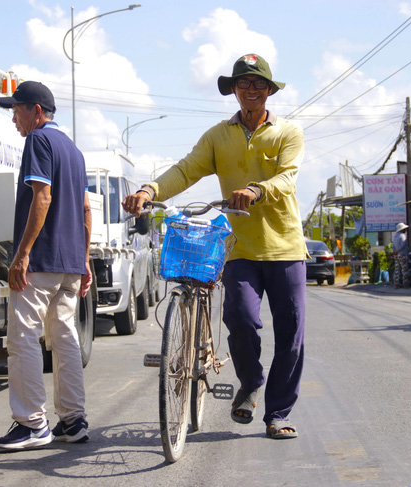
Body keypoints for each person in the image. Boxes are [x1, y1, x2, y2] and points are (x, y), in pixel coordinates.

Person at [122, 54, 305, 440]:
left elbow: (288, 178)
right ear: (234, 91)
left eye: (258, 84)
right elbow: (187, 169)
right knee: (239, 316)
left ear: (269, 91)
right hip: (239, 246)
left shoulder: (288, 132)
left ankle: (278, 413)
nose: (251, 90)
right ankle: (251, 382)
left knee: (291, 333)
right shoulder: (218, 135)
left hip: (285, 245)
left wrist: (257, 189)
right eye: (243, 84)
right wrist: (149, 189)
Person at [0, 81, 93, 450]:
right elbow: (84, 209)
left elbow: (42, 197)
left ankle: (32, 423)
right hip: (68, 264)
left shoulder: (39, 141)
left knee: (23, 338)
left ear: (36, 111)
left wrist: (22, 254)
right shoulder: (74, 151)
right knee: (64, 339)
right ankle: (73, 419)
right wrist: (84, 261)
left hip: (41, 260)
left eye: (15, 110)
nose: (13, 118)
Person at [392, 222, 410, 288]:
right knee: (404, 269)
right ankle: (405, 283)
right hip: (402, 254)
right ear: (402, 229)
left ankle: (396, 283)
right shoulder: (402, 236)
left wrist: (394, 251)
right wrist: (398, 250)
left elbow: (393, 245)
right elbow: (403, 244)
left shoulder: (395, 236)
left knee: (397, 269)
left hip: (396, 255)